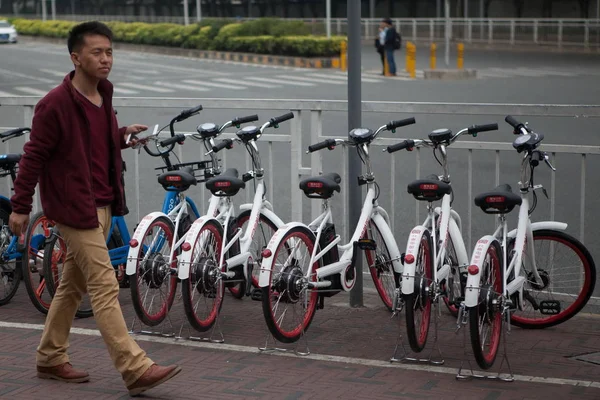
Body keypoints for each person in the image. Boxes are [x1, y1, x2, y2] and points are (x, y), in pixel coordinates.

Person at [8, 21, 181, 397]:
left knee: (71, 285)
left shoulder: (104, 93)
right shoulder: (54, 104)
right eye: (96, 52)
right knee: (104, 285)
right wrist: (21, 207)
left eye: (109, 52)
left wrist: (121, 136)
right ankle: (135, 368)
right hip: (73, 209)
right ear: (76, 58)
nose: (105, 59)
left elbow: (93, 142)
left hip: (103, 204)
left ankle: (50, 357)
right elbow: (34, 157)